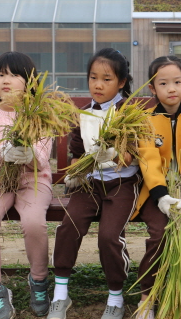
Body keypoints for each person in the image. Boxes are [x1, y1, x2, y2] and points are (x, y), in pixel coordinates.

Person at [47, 48, 140, 319]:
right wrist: (79, 162)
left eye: (107, 79)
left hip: (122, 183)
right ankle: (61, 295)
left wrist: (115, 154)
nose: (98, 85)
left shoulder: (129, 111)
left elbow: (135, 152)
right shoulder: (85, 113)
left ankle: (115, 297)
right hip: (90, 184)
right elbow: (76, 150)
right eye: (93, 78)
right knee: (68, 226)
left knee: (109, 237)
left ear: (121, 82)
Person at [0, 51, 53, 319]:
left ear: (29, 81)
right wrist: (3, 152)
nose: (5, 80)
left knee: (33, 223)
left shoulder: (39, 113)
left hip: (33, 180)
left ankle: (39, 281)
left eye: (13, 74)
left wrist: (29, 152)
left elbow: (42, 160)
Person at [133, 55, 181, 319]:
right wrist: (161, 195)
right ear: (152, 88)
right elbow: (148, 158)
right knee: (159, 235)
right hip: (158, 194)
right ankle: (148, 295)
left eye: (177, 82)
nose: (171, 88)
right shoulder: (145, 119)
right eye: (163, 83)